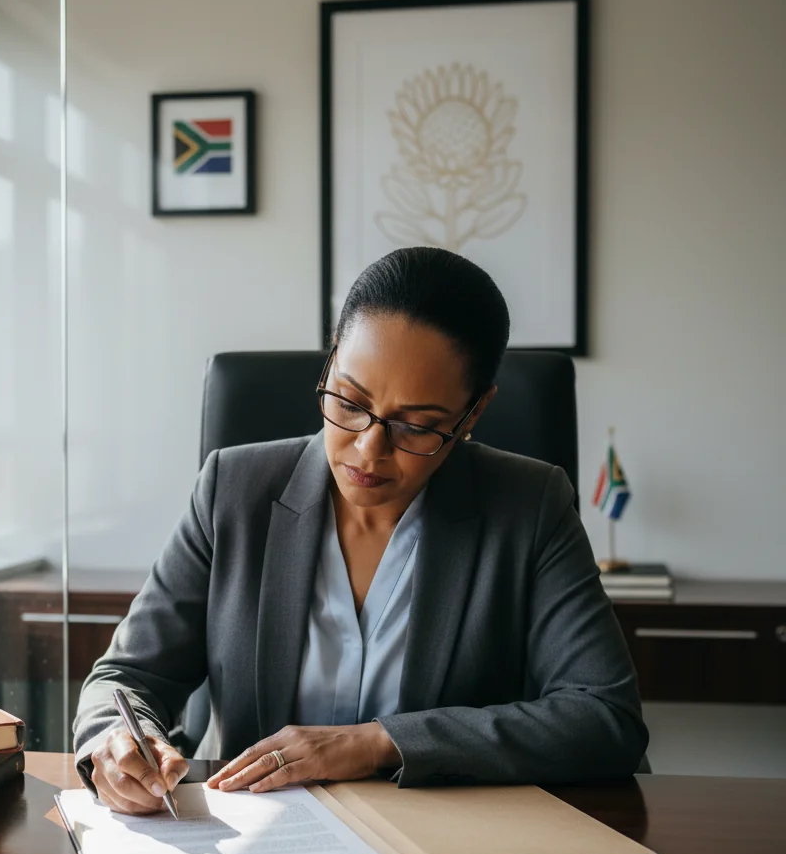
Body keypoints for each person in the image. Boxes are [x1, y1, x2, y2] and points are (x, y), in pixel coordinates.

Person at [74, 247, 648, 815]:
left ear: (472, 415)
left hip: (441, 853)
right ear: (329, 365)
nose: (369, 450)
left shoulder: (529, 507)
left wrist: (378, 742)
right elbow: (126, 677)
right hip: (251, 844)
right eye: (349, 401)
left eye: (417, 425)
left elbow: (604, 716)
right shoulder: (234, 487)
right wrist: (117, 742)